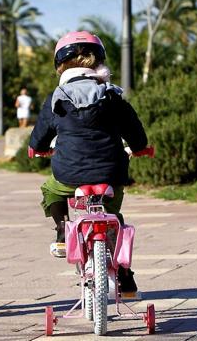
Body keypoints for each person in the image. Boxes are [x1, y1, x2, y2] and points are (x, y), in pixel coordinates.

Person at [28, 31, 148, 295]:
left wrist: (36, 149)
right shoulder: (111, 96)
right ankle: (125, 275)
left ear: (59, 66)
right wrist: (140, 148)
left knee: (50, 190)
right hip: (111, 173)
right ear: (99, 61)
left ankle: (62, 231)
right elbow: (134, 129)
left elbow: (40, 134)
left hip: (68, 174)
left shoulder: (56, 98)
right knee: (113, 217)